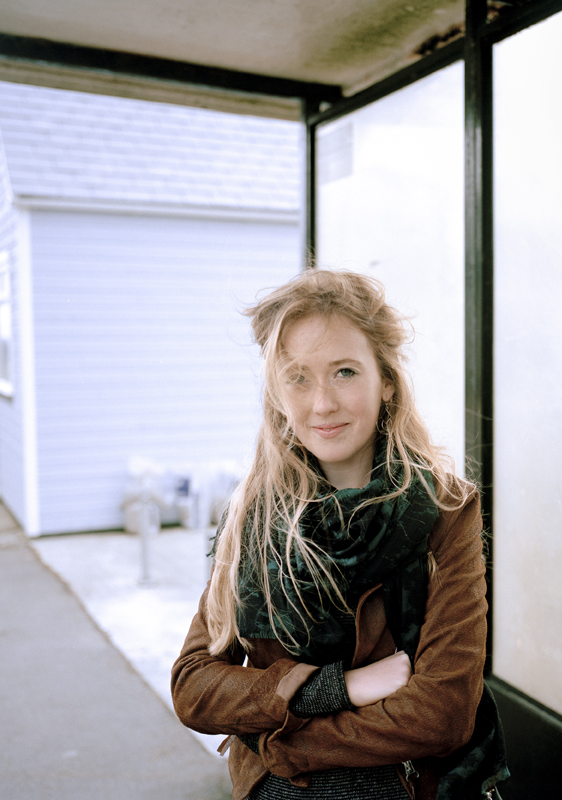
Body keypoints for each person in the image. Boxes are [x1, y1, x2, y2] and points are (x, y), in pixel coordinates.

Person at [171, 269, 508, 800]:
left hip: (404, 786)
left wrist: (280, 744)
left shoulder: (446, 510)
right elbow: (194, 687)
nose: (322, 403)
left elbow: (442, 715)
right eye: (298, 377)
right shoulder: (252, 519)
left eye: (345, 372)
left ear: (387, 380)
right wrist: (339, 687)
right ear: (277, 392)